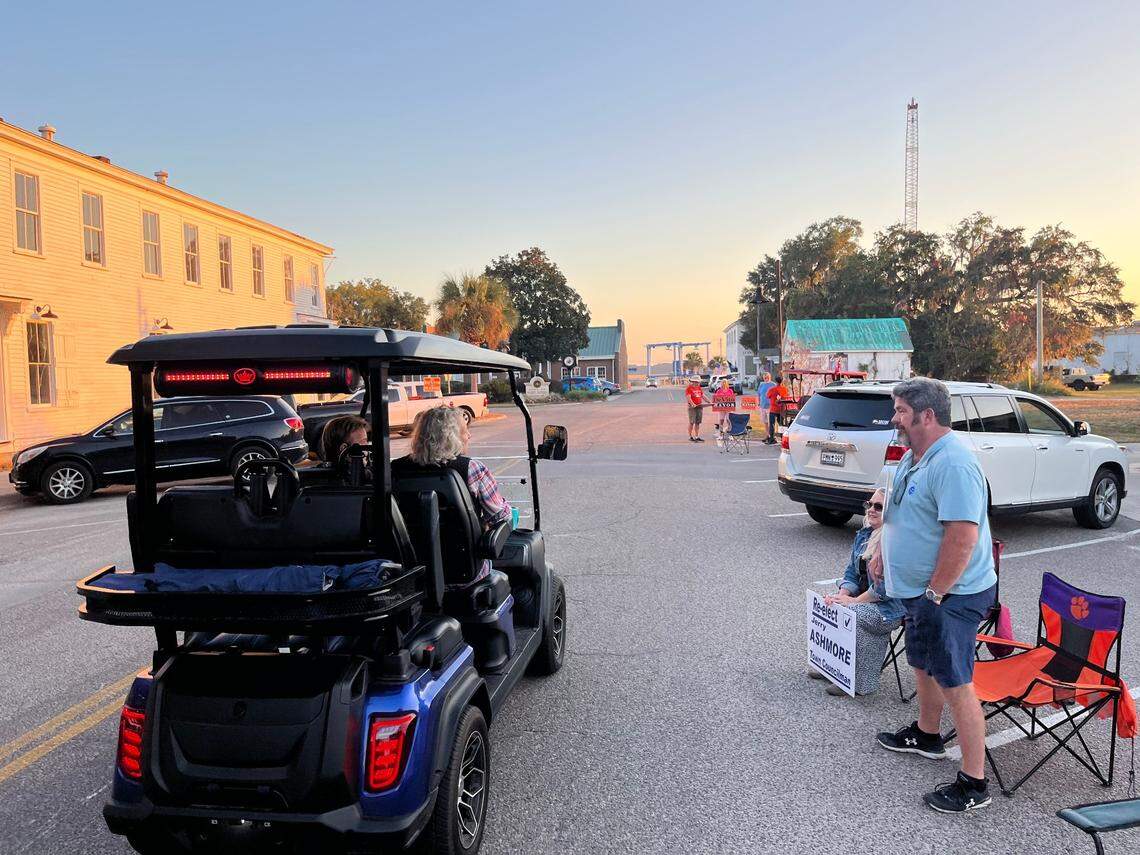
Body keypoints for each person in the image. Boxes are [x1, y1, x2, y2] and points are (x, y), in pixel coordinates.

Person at [871, 377, 997, 814]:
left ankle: (974, 783)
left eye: (901, 411)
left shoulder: (954, 464)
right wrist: (881, 552)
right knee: (922, 661)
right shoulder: (915, 455)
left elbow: (962, 538)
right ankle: (927, 736)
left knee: (956, 680)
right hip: (923, 592)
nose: (894, 418)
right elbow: (901, 510)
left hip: (952, 594)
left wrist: (934, 593)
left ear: (926, 416)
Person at [394, 407, 512, 584]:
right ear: (452, 436)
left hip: (408, 576)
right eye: (465, 431)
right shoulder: (472, 469)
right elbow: (501, 516)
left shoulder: (394, 469)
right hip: (466, 574)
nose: (469, 436)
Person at [812, 489, 904, 696]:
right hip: (863, 599)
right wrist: (843, 594)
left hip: (887, 609)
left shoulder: (895, 543)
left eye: (878, 507)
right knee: (829, 604)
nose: (871, 510)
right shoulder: (864, 535)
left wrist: (853, 602)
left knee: (853, 615)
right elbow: (851, 572)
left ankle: (855, 681)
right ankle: (830, 666)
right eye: (869, 504)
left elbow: (884, 590)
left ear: (891, 511)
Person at [764, 375, 789, 444]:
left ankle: (772, 439)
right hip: (781, 409)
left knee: (772, 424)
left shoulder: (772, 389)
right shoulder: (784, 389)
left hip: (773, 409)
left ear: (776, 381)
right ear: (781, 381)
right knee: (781, 424)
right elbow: (785, 396)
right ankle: (783, 437)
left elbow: (767, 396)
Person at [685, 376, 708, 442]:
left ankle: (697, 436)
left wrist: (709, 401)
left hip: (699, 406)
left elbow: (702, 395)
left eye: (698, 382)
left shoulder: (699, 387)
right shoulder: (689, 388)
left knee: (698, 422)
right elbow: (688, 398)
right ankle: (690, 436)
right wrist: (692, 404)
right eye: (697, 382)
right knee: (692, 422)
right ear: (693, 382)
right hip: (692, 407)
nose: (698, 383)